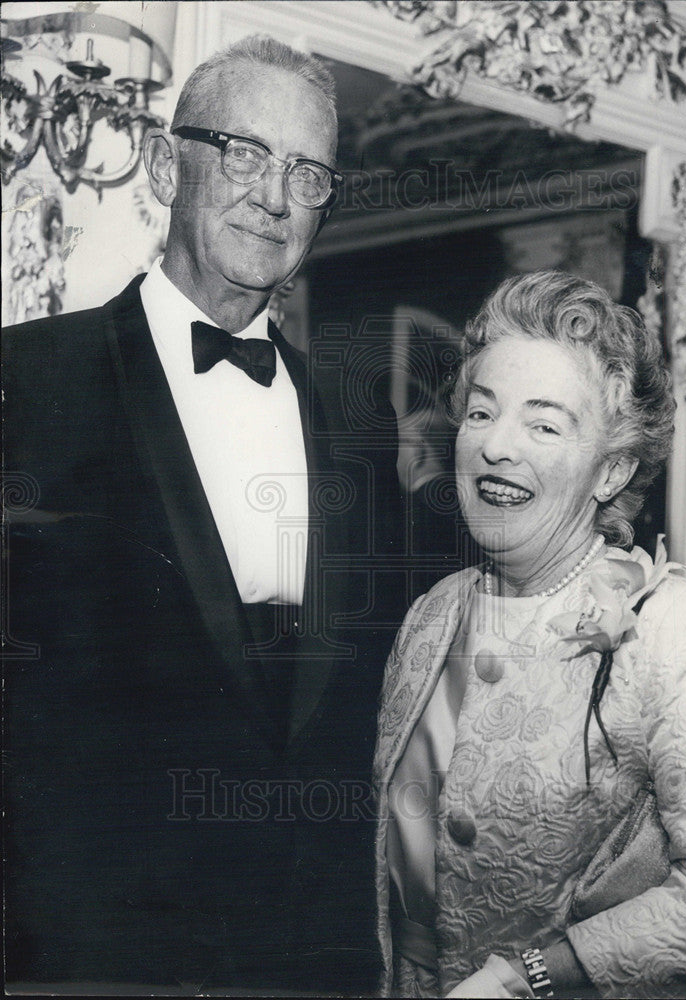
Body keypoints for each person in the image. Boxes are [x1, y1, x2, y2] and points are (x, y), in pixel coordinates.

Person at [3, 35, 402, 994]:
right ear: (172, 160)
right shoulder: (23, 381)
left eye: (308, 173)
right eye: (246, 152)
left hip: (308, 958)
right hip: (85, 948)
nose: (274, 194)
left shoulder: (359, 428)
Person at [373, 270, 686, 997]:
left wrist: (536, 976)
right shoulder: (429, 618)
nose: (497, 446)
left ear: (612, 469)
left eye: (544, 424)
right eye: (480, 412)